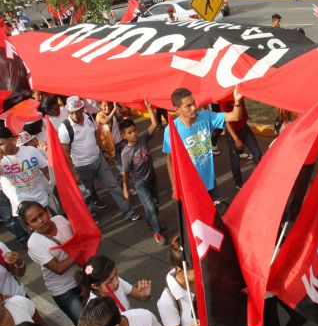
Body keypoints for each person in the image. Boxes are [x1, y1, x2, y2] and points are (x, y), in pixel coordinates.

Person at [59, 96, 140, 222]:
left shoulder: (89, 117)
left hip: (99, 160)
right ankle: (91, 216)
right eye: (72, 112)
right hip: (81, 167)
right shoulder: (64, 128)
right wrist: (73, 172)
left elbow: (96, 136)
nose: (75, 115)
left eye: (77, 111)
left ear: (82, 109)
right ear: (68, 112)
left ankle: (129, 211)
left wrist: (104, 151)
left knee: (113, 186)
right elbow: (65, 152)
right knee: (88, 194)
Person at [163, 87, 243, 198]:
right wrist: (174, 187)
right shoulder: (171, 130)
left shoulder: (205, 117)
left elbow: (235, 116)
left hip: (210, 181)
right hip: (190, 186)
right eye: (188, 106)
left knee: (216, 212)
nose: (194, 108)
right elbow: (170, 160)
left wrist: (237, 101)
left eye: (194, 103)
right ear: (177, 109)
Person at [19, 201, 84, 324]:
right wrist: (81, 250)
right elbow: (58, 268)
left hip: (83, 278)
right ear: (29, 226)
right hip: (65, 290)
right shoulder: (34, 243)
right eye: (34, 220)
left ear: (47, 212)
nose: (40, 221)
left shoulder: (60, 219)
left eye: (41, 215)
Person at [120, 111, 166, 245]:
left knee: (155, 204)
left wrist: (149, 108)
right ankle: (157, 232)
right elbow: (125, 172)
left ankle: (151, 222)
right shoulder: (125, 153)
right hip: (140, 184)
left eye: (134, 130)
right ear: (124, 136)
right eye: (129, 132)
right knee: (151, 207)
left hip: (152, 178)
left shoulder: (143, 138)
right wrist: (125, 189)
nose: (133, 134)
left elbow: (155, 124)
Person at [0, 123, 51, 217]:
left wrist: (54, 189)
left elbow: (47, 171)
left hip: (44, 202)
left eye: (1, 144)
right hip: (22, 209)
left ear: (11, 140)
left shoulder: (30, 150)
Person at [76, 254, 152, 310]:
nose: (117, 281)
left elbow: (141, 297)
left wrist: (144, 295)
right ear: (95, 286)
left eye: (116, 273)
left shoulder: (117, 283)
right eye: (110, 281)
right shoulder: (96, 309)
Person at [218, 98, 263, 189]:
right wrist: (235, 139)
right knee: (235, 159)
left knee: (257, 153)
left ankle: (255, 179)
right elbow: (226, 121)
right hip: (233, 132)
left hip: (244, 128)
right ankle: (238, 182)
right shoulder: (223, 100)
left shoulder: (239, 94)